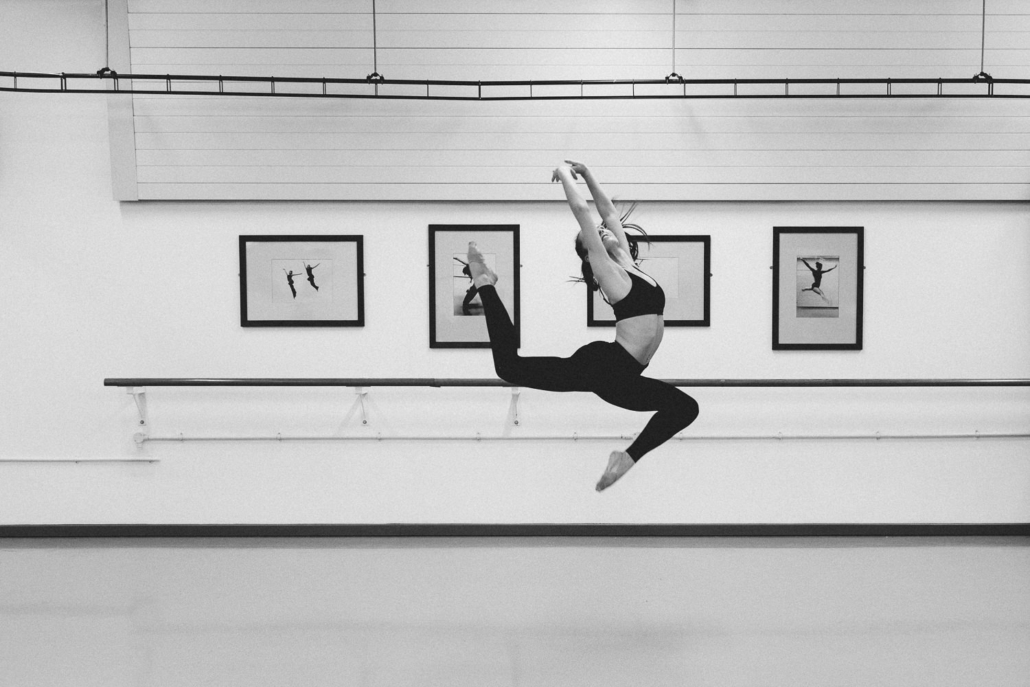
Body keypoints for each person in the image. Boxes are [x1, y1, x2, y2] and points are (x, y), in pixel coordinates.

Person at [466, 161, 699, 491]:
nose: (604, 230)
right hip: (607, 368)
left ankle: (626, 457)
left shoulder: (628, 265)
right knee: (509, 367)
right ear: (592, 252)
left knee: (685, 407)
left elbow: (609, 214)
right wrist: (562, 174)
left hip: (623, 372)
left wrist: (587, 173)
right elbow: (582, 212)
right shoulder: (609, 273)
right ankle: (484, 282)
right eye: (596, 235)